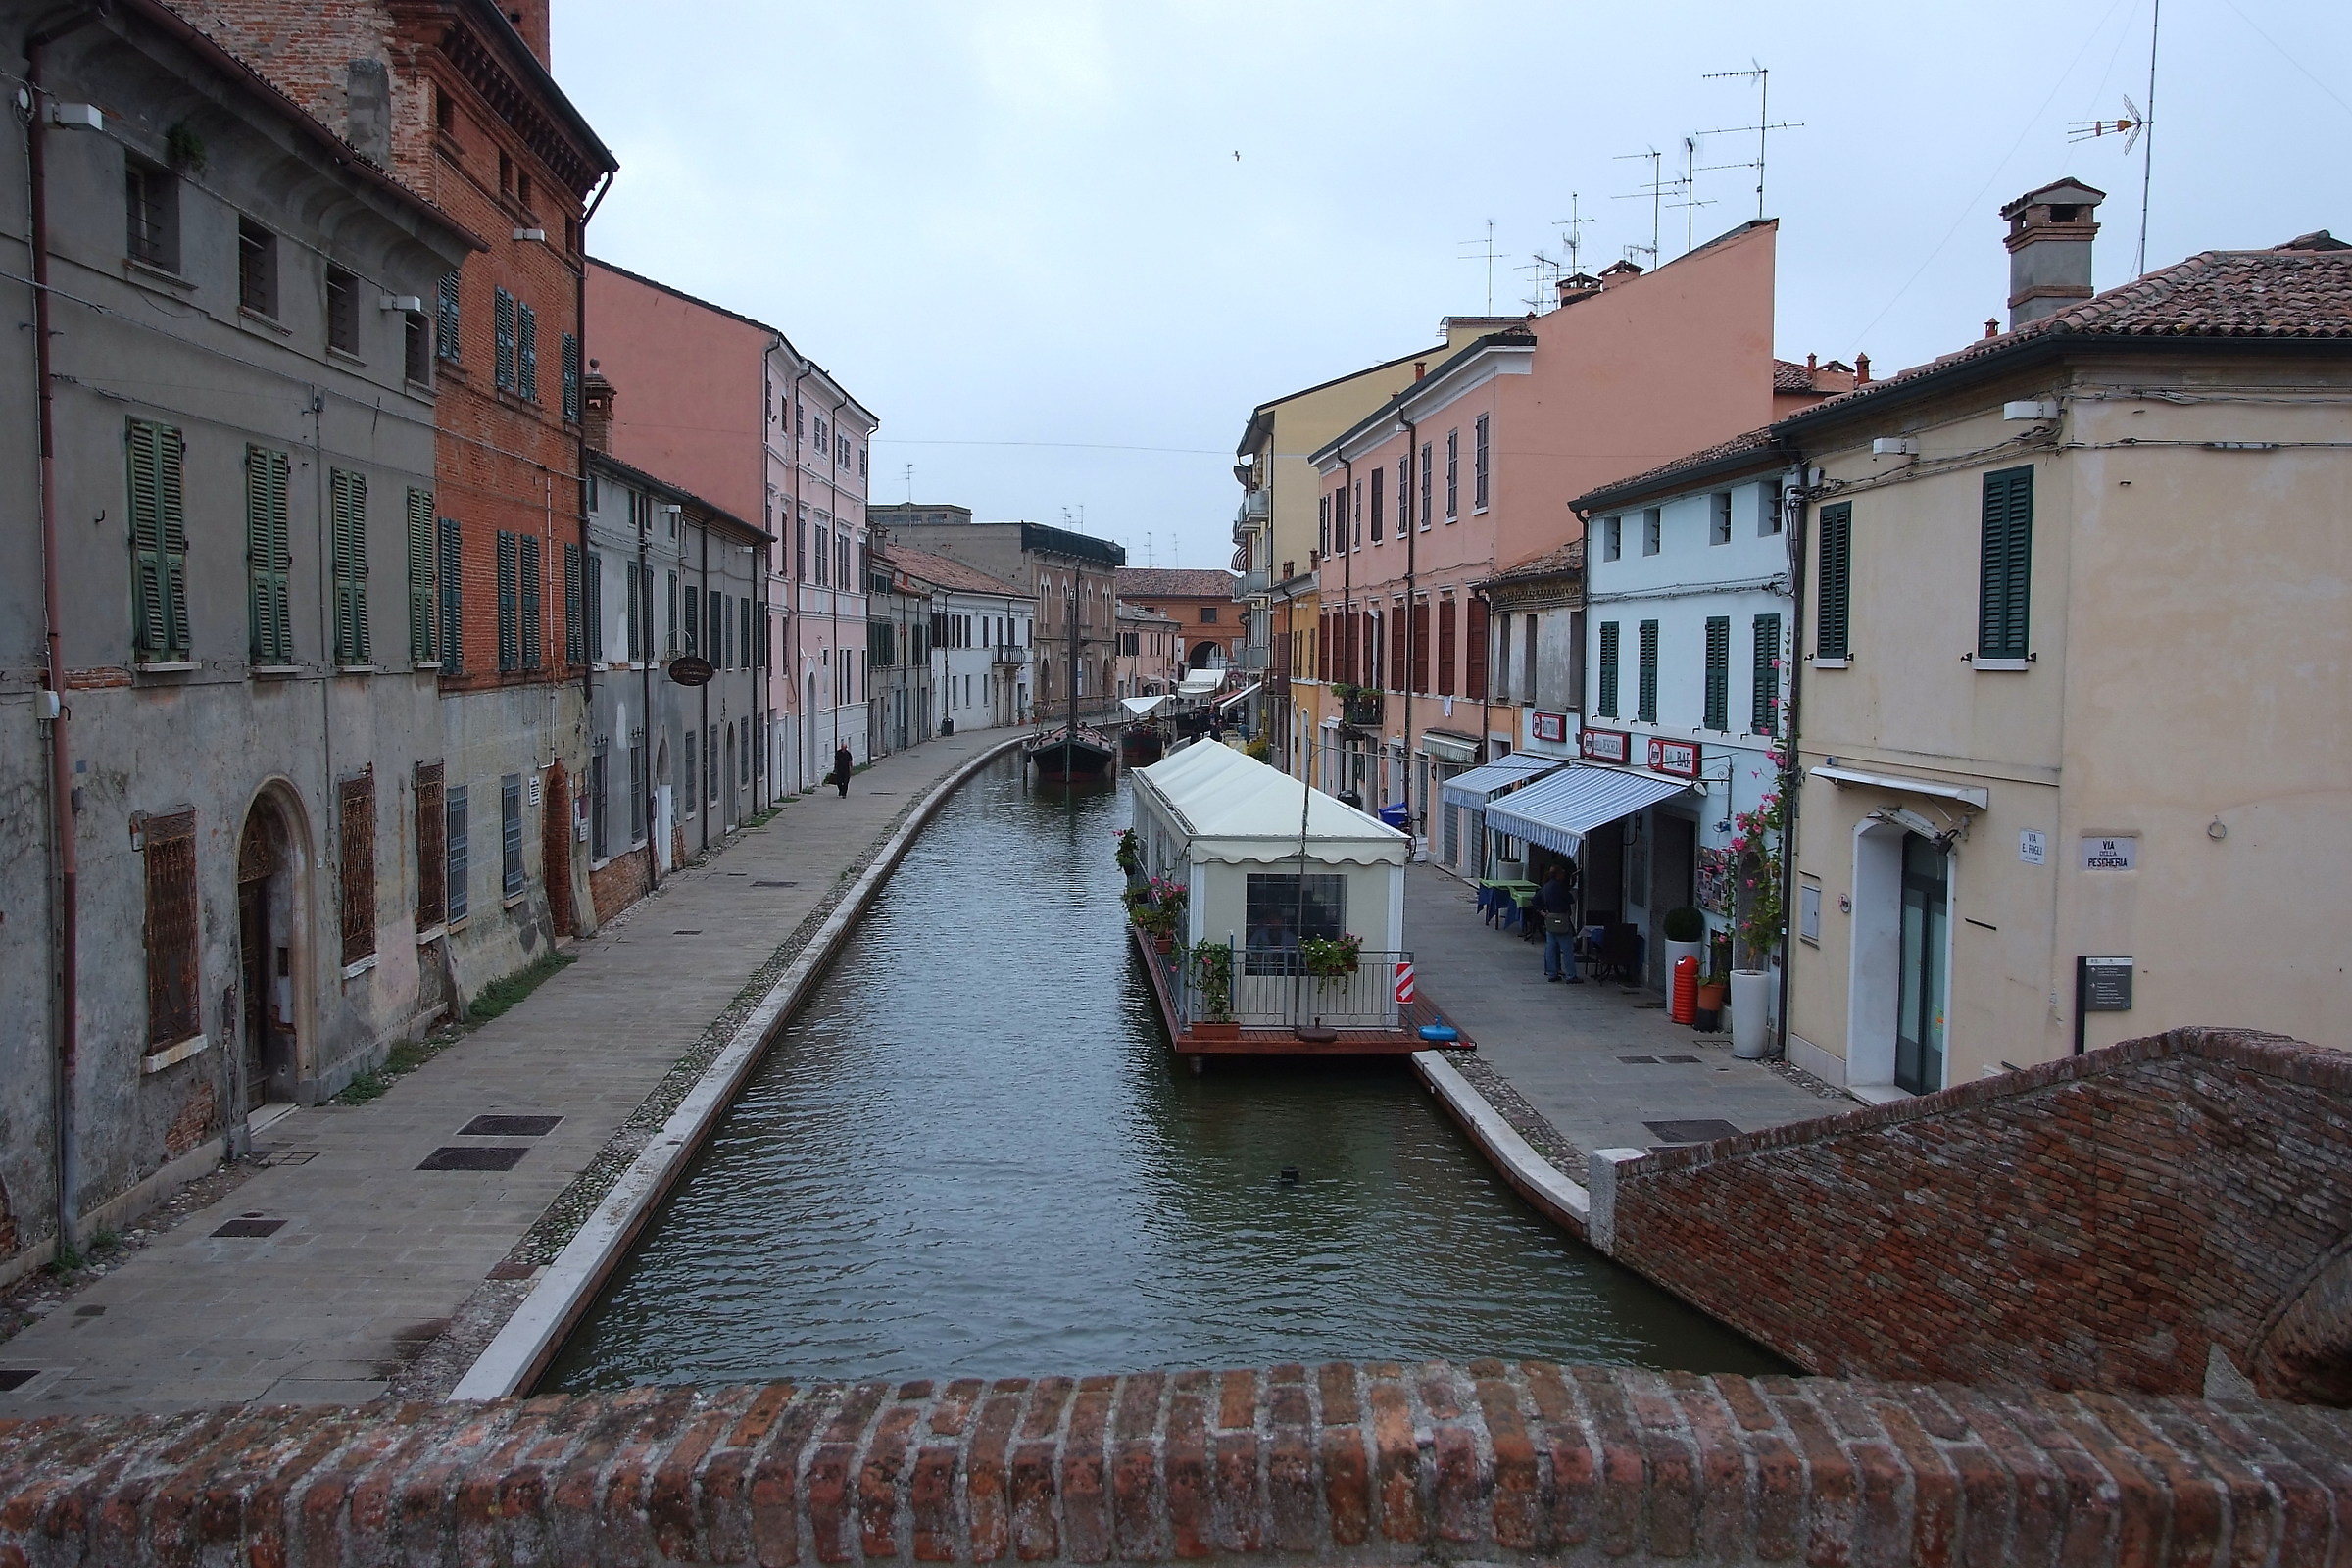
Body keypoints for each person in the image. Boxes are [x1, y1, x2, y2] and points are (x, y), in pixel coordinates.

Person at [1539, 861, 1582, 984]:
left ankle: (1552, 973)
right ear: (1558, 875)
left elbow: (1536, 900)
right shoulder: (1559, 887)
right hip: (1561, 920)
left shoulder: (1545, 887)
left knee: (1551, 948)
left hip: (1550, 919)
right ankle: (1571, 975)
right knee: (1567, 949)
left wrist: (1542, 912)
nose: (1564, 875)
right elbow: (1570, 899)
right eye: (1562, 873)